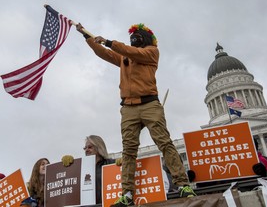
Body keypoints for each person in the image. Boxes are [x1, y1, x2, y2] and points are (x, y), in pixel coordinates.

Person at [76, 23, 196, 207]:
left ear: (146, 39)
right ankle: (127, 194)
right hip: (128, 107)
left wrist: (109, 41)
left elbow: (133, 52)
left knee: (164, 143)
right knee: (129, 151)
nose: (134, 38)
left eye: (137, 35)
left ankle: (182, 185)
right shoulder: (125, 57)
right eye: (132, 35)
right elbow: (104, 53)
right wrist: (88, 38)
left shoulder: (152, 52)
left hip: (150, 104)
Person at [62, 135, 115, 204]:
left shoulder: (111, 164)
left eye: (90, 147)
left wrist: (124, 164)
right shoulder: (81, 167)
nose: (86, 150)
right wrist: (68, 167)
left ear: (99, 147)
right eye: (85, 148)